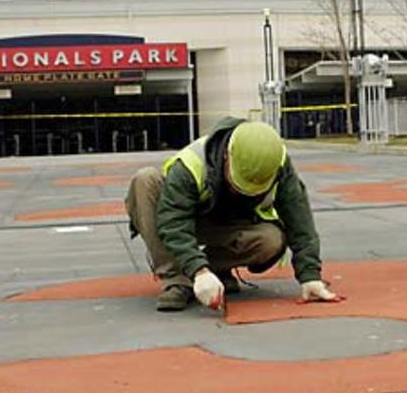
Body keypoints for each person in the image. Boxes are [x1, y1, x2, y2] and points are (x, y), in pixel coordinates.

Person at [125, 117, 340, 312]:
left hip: (231, 224)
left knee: (271, 240)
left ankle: (215, 271)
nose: (242, 191)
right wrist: (198, 271)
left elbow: (299, 218)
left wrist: (310, 276)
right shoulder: (191, 163)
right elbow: (173, 222)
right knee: (144, 180)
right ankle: (177, 279)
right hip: (186, 219)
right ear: (227, 156)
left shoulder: (277, 162)